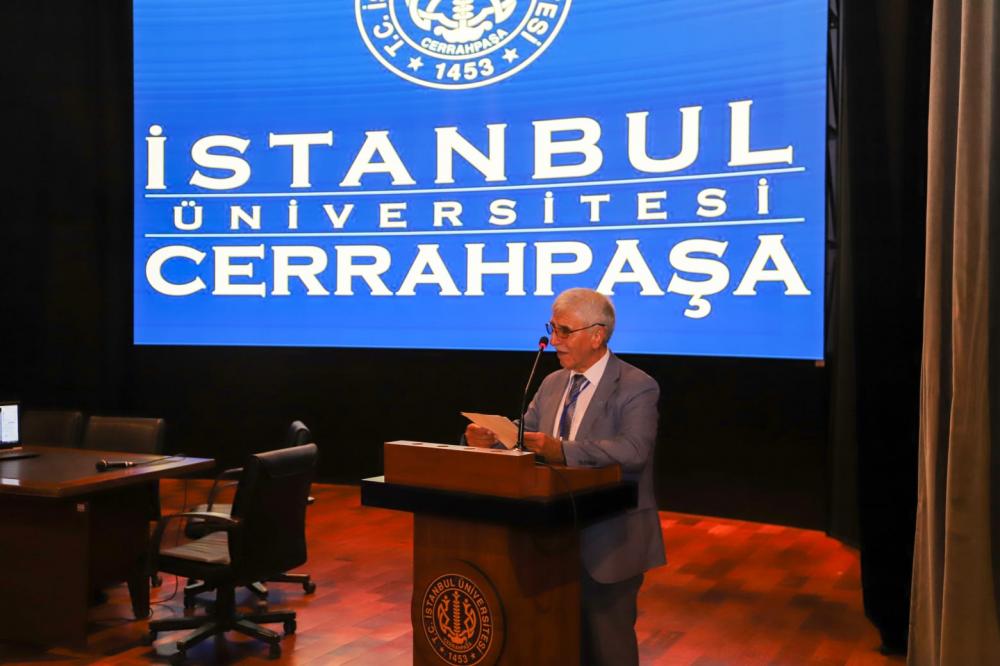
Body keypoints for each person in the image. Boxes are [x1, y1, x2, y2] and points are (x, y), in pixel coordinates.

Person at [465, 287, 666, 666]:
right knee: (554, 644)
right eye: (552, 329)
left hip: (610, 539)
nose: (553, 340)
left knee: (608, 650)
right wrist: (489, 439)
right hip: (549, 539)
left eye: (564, 331)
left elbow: (634, 451)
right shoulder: (553, 382)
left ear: (597, 335)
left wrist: (563, 451)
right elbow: (527, 435)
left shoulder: (636, 385)